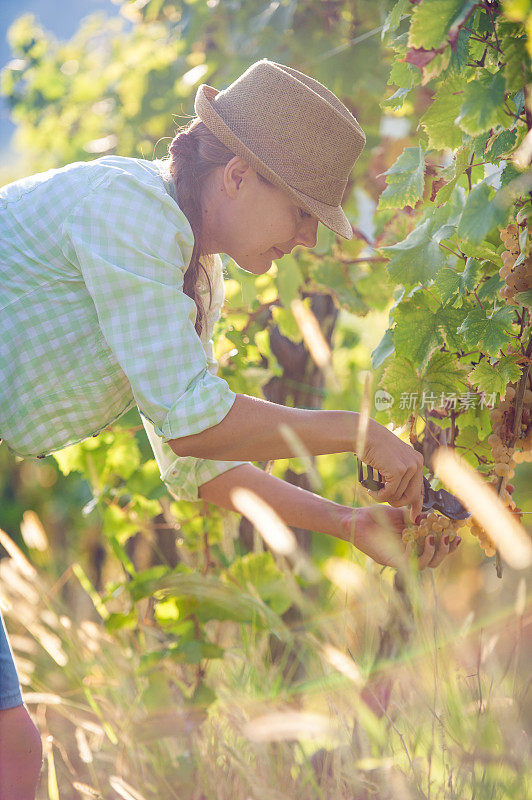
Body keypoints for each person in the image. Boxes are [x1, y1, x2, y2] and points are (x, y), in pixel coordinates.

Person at [0, 58, 460, 798]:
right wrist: (360, 430)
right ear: (239, 175)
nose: (308, 240)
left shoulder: (193, 275)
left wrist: (344, 522)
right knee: (9, 748)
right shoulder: (130, 208)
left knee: (10, 750)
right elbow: (195, 423)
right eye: (302, 211)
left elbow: (196, 464)